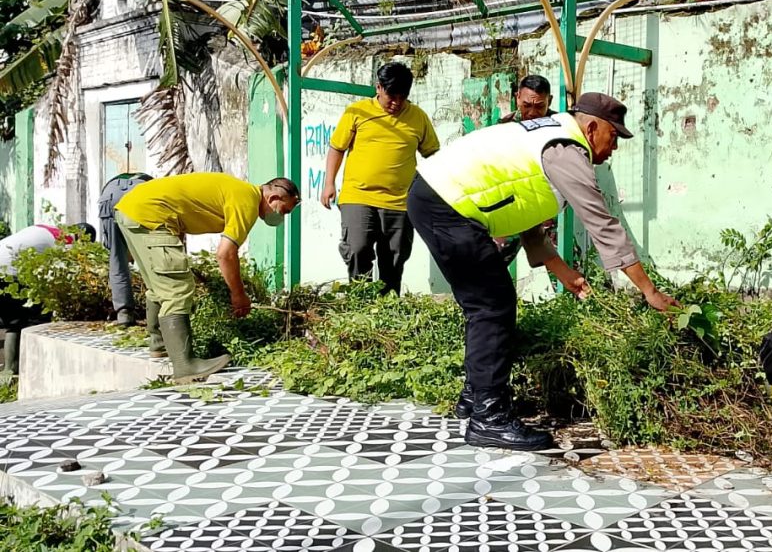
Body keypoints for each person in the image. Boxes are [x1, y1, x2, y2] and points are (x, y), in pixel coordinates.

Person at [407, 92, 678, 451]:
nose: (614, 149)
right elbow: (602, 224)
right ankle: (488, 418)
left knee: (485, 304)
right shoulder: (567, 151)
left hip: (436, 198)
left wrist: (563, 271)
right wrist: (649, 291)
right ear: (593, 127)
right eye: (613, 138)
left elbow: (528, 217)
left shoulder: (548, 139)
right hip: (447, 204)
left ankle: (475, 399)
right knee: (493, 305)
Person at [115, 173, 300, 383]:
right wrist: (239, 295)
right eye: (284, 211)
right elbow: (225, 254)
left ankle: (161, 345)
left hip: (132, 209)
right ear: (273, 198)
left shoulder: (240, 191)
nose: (282, 216)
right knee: (177, 289)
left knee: (159, 284)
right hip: (149, 214)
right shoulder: (247, 201)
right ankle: (185, 366)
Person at [320, 62, 440, 294]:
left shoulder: (418, 117)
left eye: (402, 97)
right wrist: (328, 183)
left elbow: (432, 154)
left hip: (400, 202)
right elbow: (337, 148)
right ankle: (360, 300)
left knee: (394, 258)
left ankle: (387, 308)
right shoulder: (358, 112)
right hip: (358, 196)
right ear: (378, 88)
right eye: (391, 96)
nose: (396, 103)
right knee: (357, 248)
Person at [0, 222, 96, 379]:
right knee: (19, 322)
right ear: (82, 238)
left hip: (5, 267)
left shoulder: (43, 228)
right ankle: (11, 373)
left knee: (10, 317)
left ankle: (10, 370)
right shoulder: (67, 241)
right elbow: (67, 274)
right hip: (8, 273)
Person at [495, 75, 556, 265]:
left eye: (539, 106)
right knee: (493, 260)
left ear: (550, 101)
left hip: (545, 203)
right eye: (526, 105)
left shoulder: (558, 125)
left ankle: (577, 293)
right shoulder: (505, 127)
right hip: (512, 205)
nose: (532, 112)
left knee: (560, 259)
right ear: (517, 98)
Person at [99, 172, 153, 326]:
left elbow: (110, 246)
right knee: (151, 257)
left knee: (117, 258)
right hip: (141, 194)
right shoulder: (151, 184)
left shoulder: (112, 183)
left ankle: (124, 315)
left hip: (108, 197)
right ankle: (156, 315)